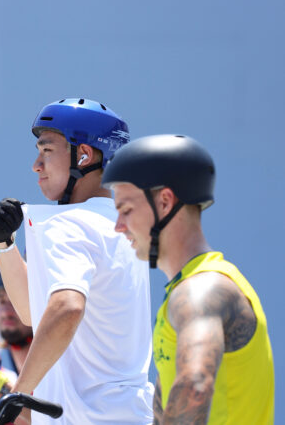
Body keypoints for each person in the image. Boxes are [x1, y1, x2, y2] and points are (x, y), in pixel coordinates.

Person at [0, 98, 154, 424]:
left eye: (47, 150)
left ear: (84, 155)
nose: (36, 164)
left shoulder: (69, 223)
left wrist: (18, 396)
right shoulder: (125, 228)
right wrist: (4, 246)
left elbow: (66, 309)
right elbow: (34, 312)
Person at [101, 134, 274, 424]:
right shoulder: (186, 290)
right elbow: (166, 408)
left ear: (166, 201)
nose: (118, 226)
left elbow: (194, 385)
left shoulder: (201, 290)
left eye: (126, 210)